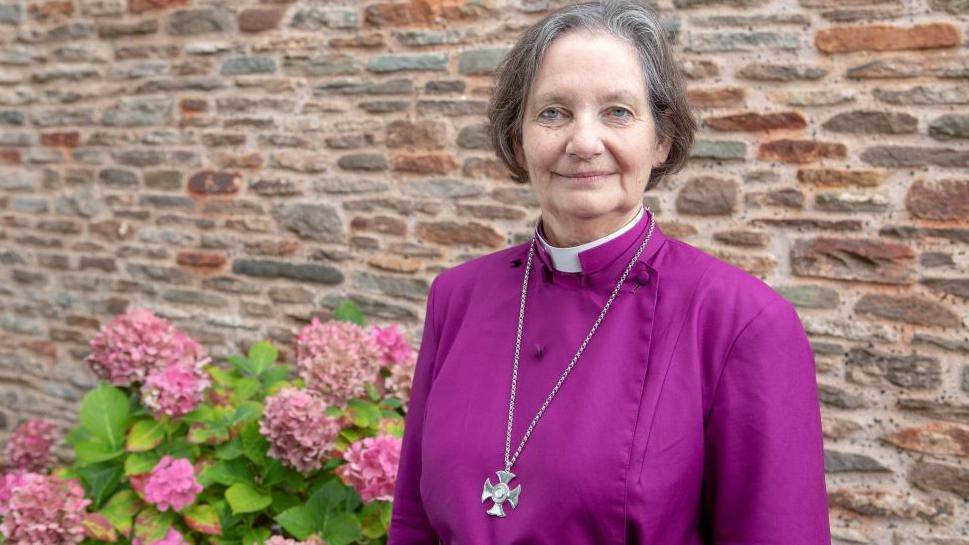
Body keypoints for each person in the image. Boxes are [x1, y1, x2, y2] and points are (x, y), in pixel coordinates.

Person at [388, 1, 830, 543]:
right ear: (518, 136)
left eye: (617, 111)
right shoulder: (457, 297)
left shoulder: (741, 322)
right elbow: (411, 521)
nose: (584, 142)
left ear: (661, 139)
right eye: (553, 113)